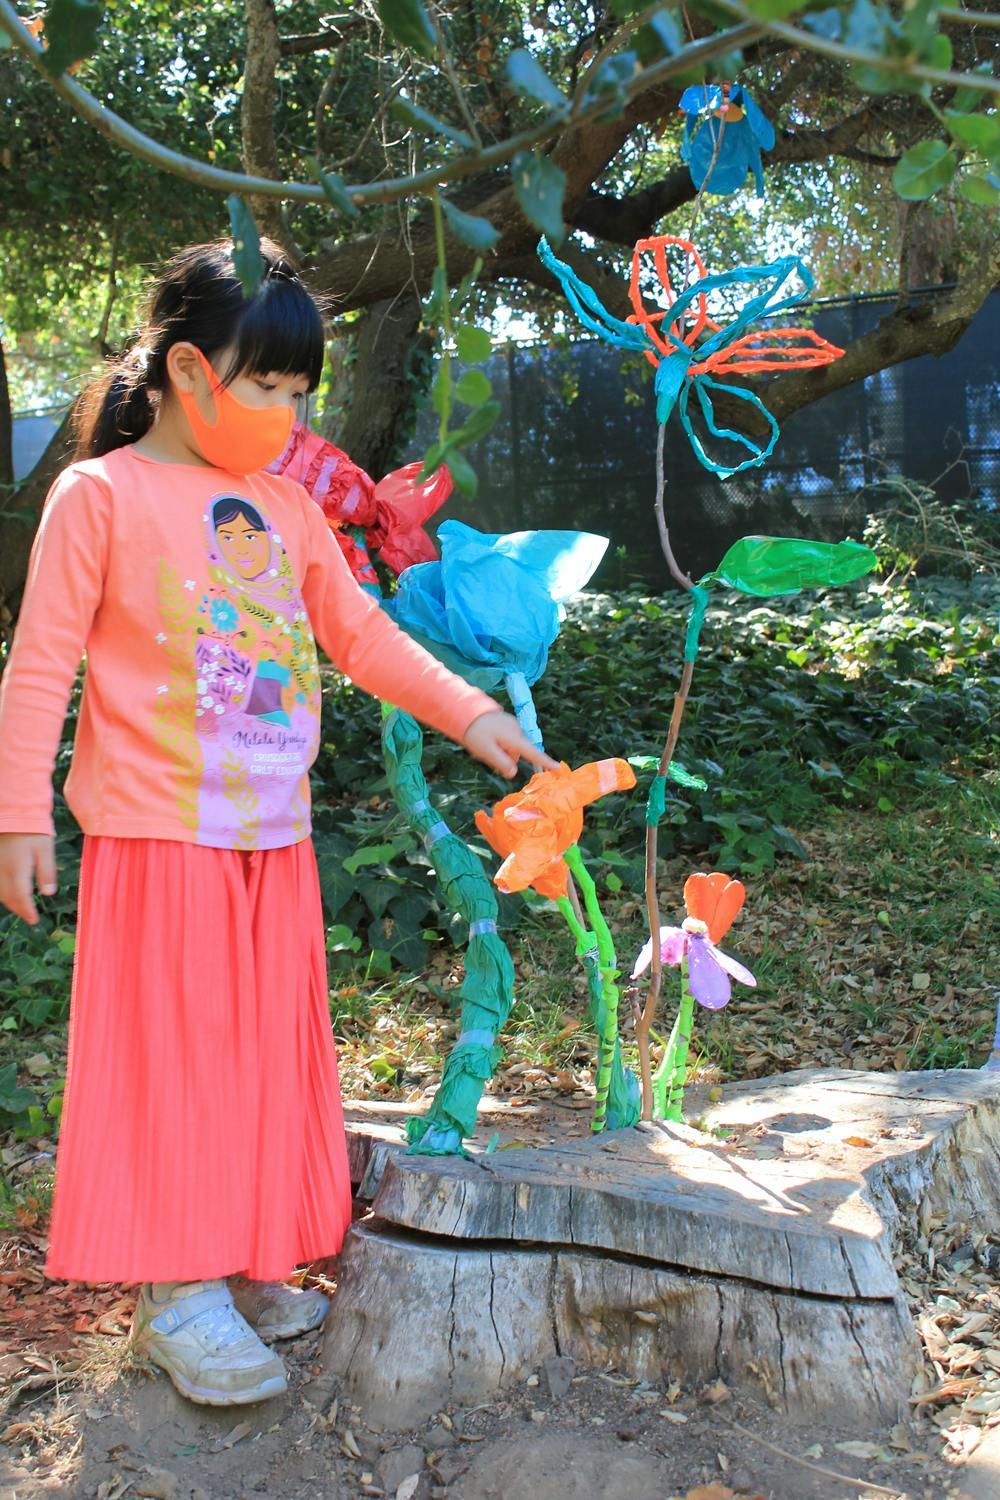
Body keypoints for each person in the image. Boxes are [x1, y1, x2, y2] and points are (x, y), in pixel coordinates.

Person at [0, 239, 555, 1408]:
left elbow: (362, 639)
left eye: (301, 392)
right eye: (270, 388)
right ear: (191, 372)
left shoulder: (287, 508)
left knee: (259, 1063)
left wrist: (469, 718)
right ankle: (176, 1294)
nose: (290, 413)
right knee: (176, 1065)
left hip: (273, 838)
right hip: (157, 837)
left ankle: (247, 1265)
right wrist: (17, 817)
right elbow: (38, 664)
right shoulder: (99, 496)